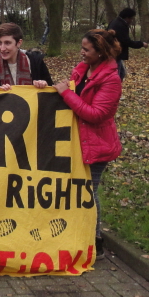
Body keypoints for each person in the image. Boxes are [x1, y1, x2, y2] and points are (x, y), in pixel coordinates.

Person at [52, 29, 123, 259]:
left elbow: (95, 114)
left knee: (88, 193)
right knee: (78, 191)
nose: (81, 53)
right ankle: (79, 235)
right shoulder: (83, 70)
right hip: (78, 141)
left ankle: (96, 240)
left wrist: (66, 94)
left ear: (100, 52)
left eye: (86, 49)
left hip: (98, 145)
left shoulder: (111, 79)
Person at [0, 23, 53, 90]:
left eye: (7, 43)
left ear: (19, 43)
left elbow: (51, 90)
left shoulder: (35, 61)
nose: (2, 48)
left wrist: (44, 86)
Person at [107, 8, 148, 81]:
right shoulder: (120, 25)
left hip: (114, 53)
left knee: (121, 73)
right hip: (115, 53)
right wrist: (141, 44)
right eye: (131, 18)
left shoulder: (115, 22)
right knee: (117, 76)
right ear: (127, 17)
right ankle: (115, 90)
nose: (131, 21)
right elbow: (127, 41)